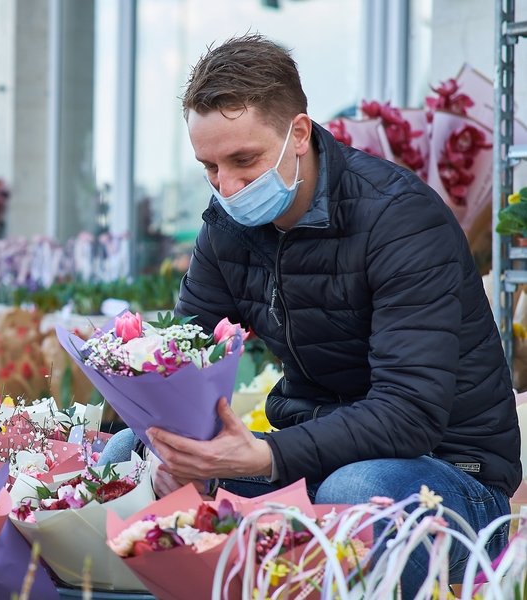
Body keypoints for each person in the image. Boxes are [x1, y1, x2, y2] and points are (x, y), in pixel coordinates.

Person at [101, 34, 521, 595]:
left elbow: (409, 414)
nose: (227, 187)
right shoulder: (227, 228)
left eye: (243, 161)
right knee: (126, 453)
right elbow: (184, 355)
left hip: (441, 477)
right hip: (309, 464)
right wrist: (171, 437)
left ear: (298, 134)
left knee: (355, 493)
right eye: (209, 167)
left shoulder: (401, 220)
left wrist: (263, 456)